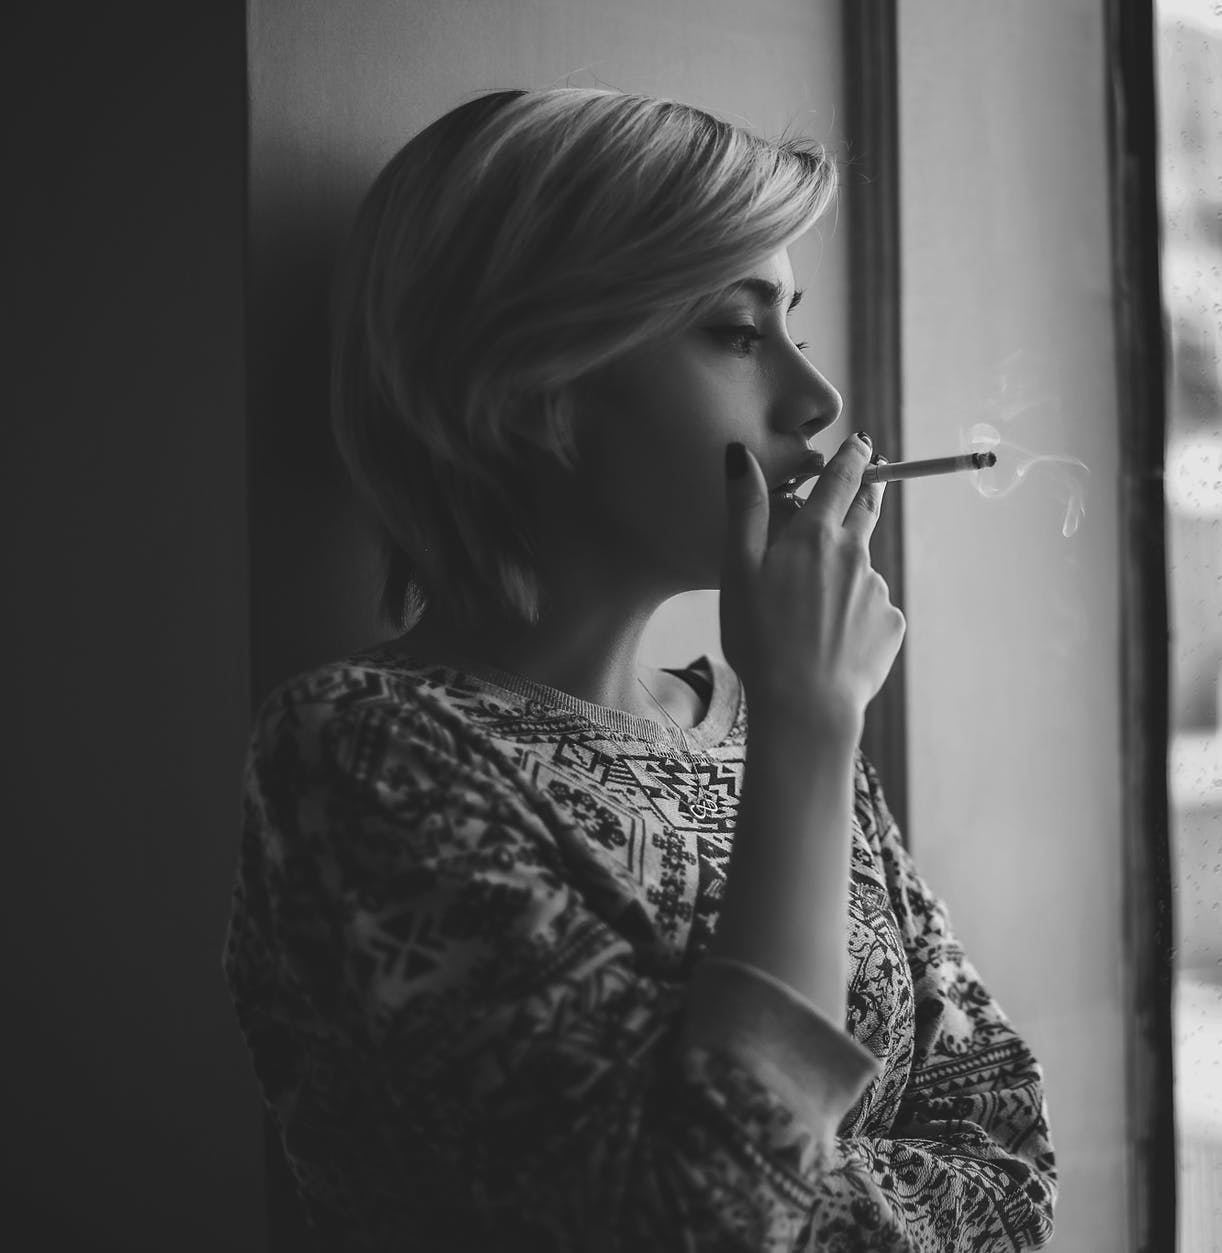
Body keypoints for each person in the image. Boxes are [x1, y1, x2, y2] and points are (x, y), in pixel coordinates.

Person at [222, 86, 1057, 1251]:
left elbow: (1004, 1155)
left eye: (792, 326)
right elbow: (706, 1223)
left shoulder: (760, 733)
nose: (816, 401)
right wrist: (814, 723)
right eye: (735, 329)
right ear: (533, 384)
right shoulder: (366, 756)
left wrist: (800, 730)